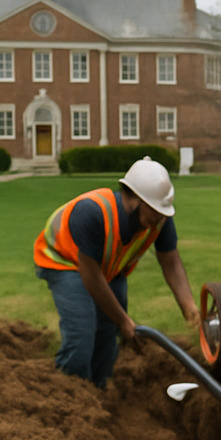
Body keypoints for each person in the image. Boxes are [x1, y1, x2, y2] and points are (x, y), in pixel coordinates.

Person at [32, 156, 200, 388]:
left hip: (108, 268)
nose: (158, 218)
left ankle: (99, 388)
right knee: (82, 333)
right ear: (133, 198)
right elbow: (91, 277)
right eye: (153, 211)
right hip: (62, 261)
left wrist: (190, 309)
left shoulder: (159, 219)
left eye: (161, 212)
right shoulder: (92, 212)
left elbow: (170, 262)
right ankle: (68, 393)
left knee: (107, 334)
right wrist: (123, 320)